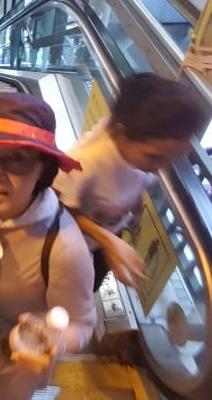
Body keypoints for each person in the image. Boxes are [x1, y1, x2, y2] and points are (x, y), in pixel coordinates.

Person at [0, 92, 96, 399]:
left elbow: (82, 324)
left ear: (43, 169)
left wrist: (54, 344)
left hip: (13, 367)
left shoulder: (63, 249)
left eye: (19, 159)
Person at [53, 72, 210, 290]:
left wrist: (133, 210)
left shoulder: (141, 142)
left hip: (107, 236)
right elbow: (56, 209)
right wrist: (107, 241)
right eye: (154, 157)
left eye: (174, 157)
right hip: (73, 245)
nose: (161, 167)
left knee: (91, 283)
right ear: (120, 134)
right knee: (72, 288)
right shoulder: (85, 163)